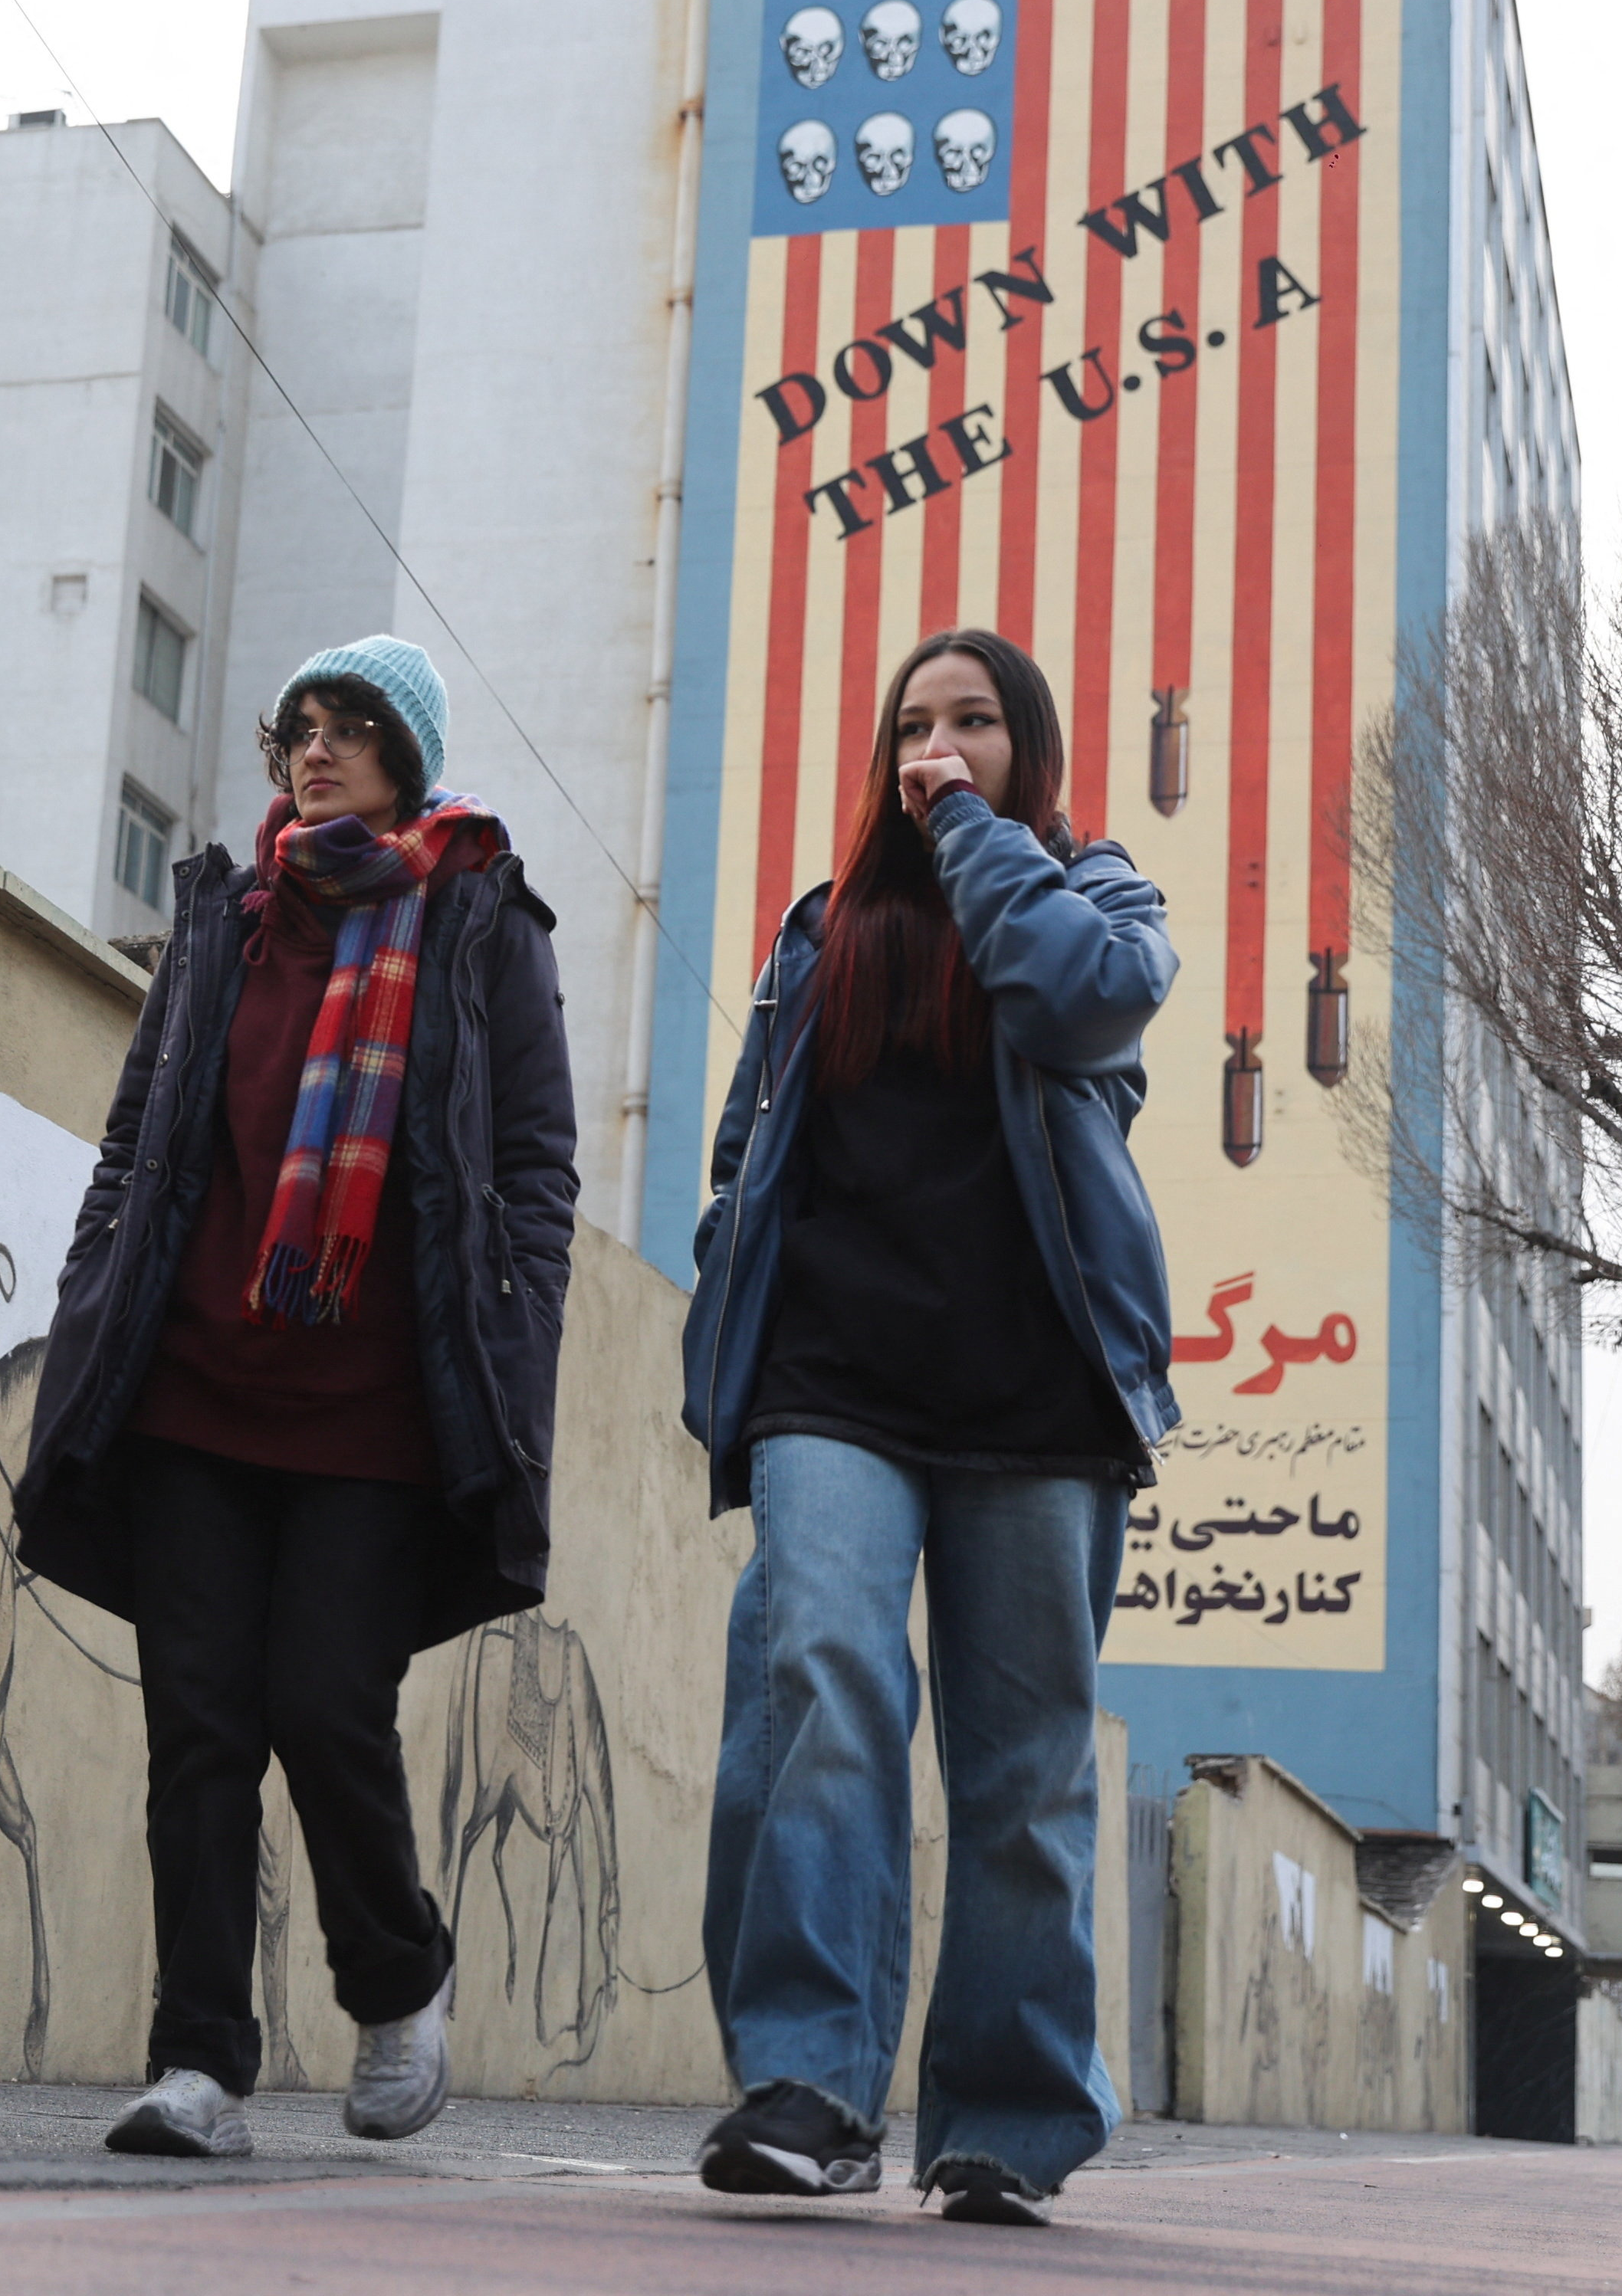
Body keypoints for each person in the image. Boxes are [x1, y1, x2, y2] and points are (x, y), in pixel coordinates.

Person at [18, 635, 577, 2159]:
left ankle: (397, 1977)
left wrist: (517, 1344)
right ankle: (199, 2060)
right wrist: (90, 1299)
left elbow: (533, 1168)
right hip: (196, 1381)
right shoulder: (228, 919)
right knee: (199, 1722)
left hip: (382, 1403)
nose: (315, 751)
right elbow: (139, 1141)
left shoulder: (475, 919)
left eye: (351, 728)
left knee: (327, 1705)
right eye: (300, 730)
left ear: (410, 752)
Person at [681, 625, 1181, 2226]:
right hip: (835, 1383)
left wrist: (973, 834)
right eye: (916, 725)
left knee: (1024, 1771)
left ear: (1029, 747)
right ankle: (809, 2084)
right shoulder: (825, 930)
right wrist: (725, 1309)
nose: (940, 743)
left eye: (974, 721)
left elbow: (1085, 1006)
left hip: (1035, 1397)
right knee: (814, 1675)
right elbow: (750, 1145)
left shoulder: (1102, 903)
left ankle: (1010, 2121)